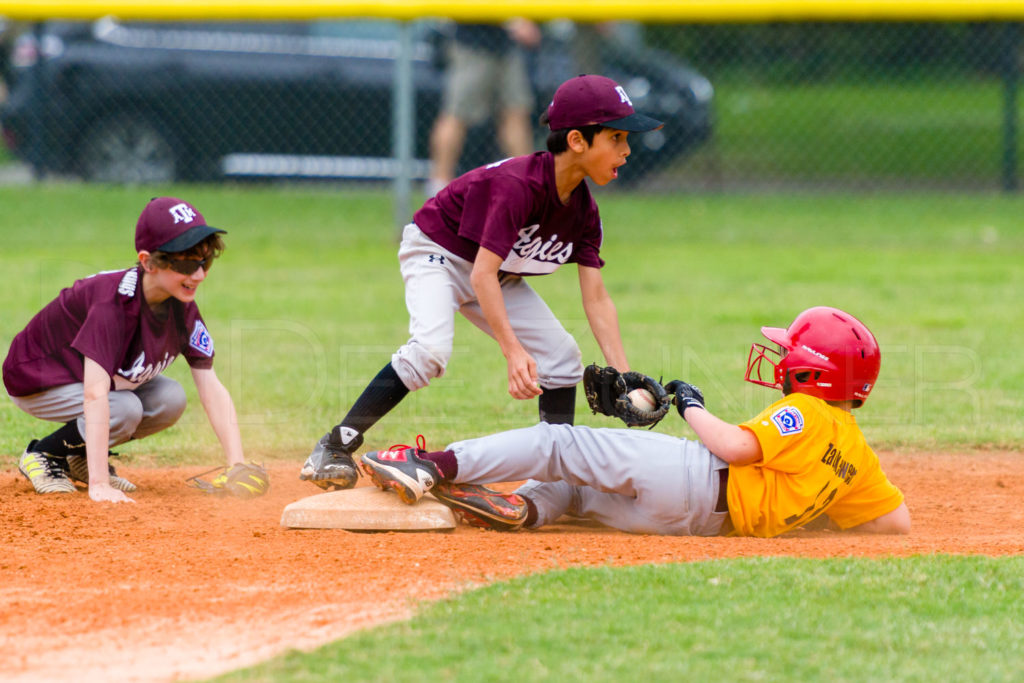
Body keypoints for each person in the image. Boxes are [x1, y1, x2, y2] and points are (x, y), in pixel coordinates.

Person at [300, 74, 664, 490]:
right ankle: (334, 444)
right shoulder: (519, 186)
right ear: (578, 141)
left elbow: (596, 299)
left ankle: (556, 472)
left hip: (493, 272)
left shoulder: (583, 210)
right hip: (438, 253)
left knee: (562, 359)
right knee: (430, 351)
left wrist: (623, 374)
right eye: (616, 137)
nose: (627, 149)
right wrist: (513, 351)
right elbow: (480, 273)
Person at [360, 306, 911, 538]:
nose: (781, 358)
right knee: (573, 492)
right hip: (697, 524)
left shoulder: (808, 412)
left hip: (693, 474)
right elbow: (895, 523)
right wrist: (807, 513)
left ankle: (429, 465)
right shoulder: (856, 454)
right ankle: (525, 509)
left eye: (791, 351)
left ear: (815, 374)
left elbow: (737, 448)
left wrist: (689, 403)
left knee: (560, 444)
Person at [4, 196, 258, 504]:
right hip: (37, 377)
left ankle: (79, 458)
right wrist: (100, 485)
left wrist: (237, 464)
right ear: (148, 261)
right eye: (187, 263)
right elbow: (95, 395)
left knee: (170, 399)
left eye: (205, 262)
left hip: (94, 378)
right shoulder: (113, 306)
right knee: (125, 409)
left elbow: (211, 385)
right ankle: (44, 453)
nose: (199, 275)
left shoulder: (181, 304)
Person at [425, 19, 541, 197]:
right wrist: (513, 21)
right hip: (472, 45)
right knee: (456, 116)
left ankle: (526, 186)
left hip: (506, 47)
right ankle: (438, 186)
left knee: (515, 113)